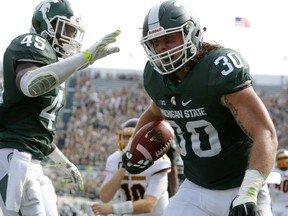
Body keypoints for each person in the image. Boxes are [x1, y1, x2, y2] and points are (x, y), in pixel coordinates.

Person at [121, 1, 278, 216]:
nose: (162, 48)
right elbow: (154, 112)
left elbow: (265, 133)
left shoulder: (218, 69)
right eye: (156, 42)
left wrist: (249, 191)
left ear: (191, 33)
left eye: (169, 39)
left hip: (241, 187)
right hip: (195, 189)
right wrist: (133, 148)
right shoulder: (156, 77)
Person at [0, 0, 120, 215]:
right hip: (12, 155)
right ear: (43, 25)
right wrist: (84, 59)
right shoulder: (32, 42)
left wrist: (63, 162)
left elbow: (38, 131)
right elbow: (30, 85)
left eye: (73, 31)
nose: (70, 37)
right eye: (64, 28)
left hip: (33, 159)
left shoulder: (54, 66)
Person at [91, 118, 171, 216]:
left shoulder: (158, 162)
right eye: (124, 137)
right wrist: (124, 167)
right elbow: (105, 196)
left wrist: (113, 209)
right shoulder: (115, 159)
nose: (125, 141)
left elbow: (149, 205)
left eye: (130, 137)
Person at [268, 148, 288, 216]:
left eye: (285, 158)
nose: (283, 161)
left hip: (286, 205)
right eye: (280, 159)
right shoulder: (273, 171)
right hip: (274, 204)